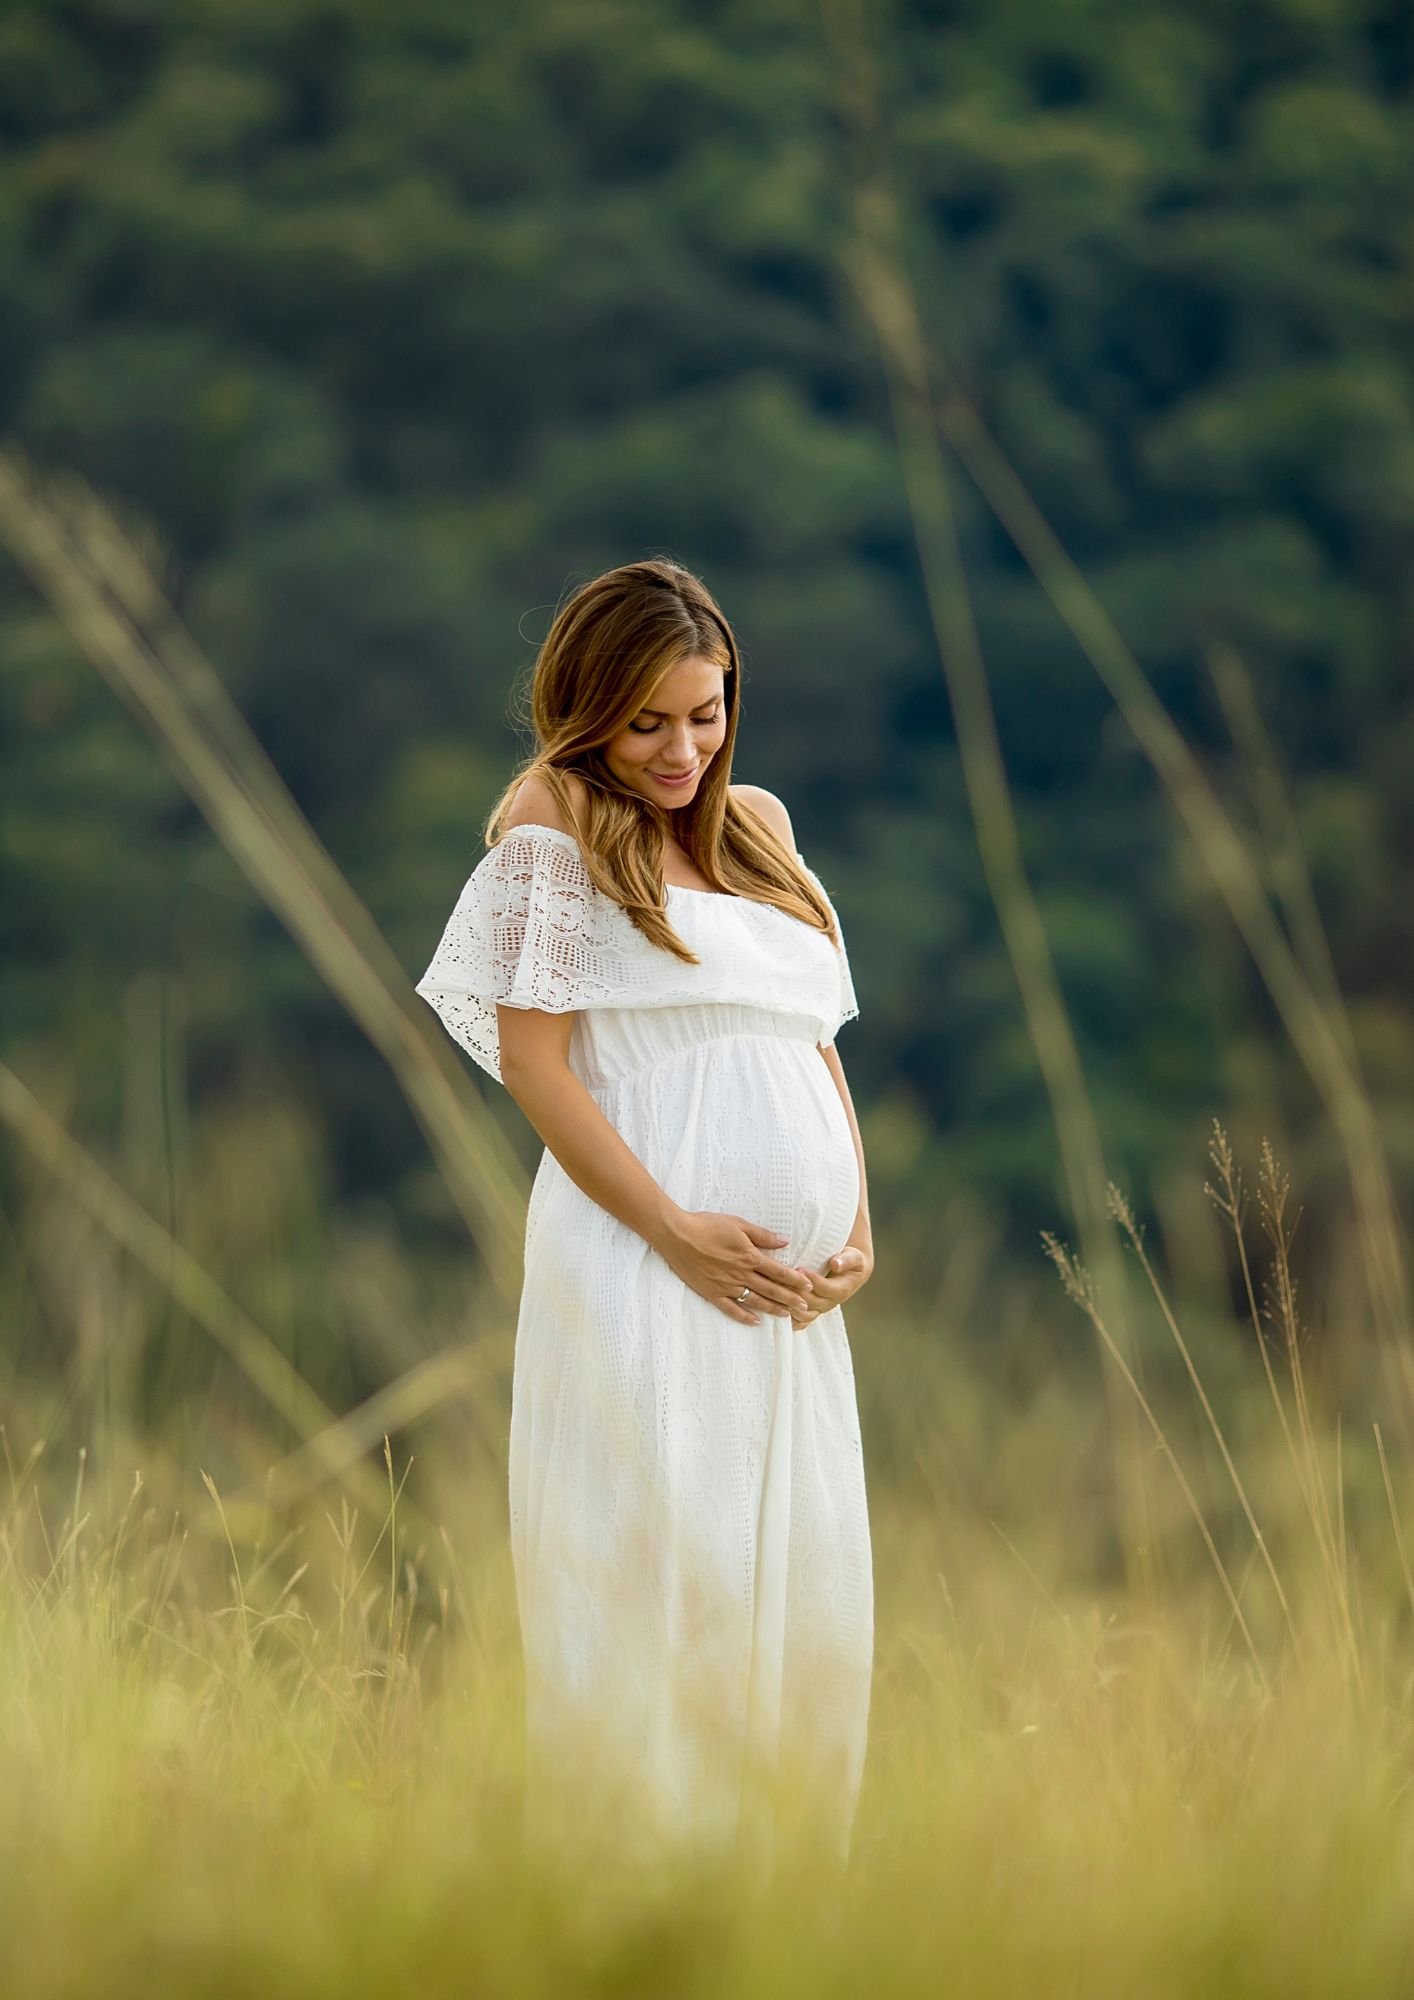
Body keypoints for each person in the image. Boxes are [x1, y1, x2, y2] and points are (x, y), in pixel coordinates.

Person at [414, 557, 874, 1867]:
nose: (683, 750)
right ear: (587, 709)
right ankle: (637, 1899)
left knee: (802, 1589)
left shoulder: (758, 827)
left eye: (708, 713)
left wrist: (857, 1224)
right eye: (649, 722)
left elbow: (810, 1039)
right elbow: (534, 1063)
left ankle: (780, 1902)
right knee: (665, 1579)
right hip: (641, 1263)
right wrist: (673, 1227)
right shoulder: (552, 818)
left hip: (784, 1303)